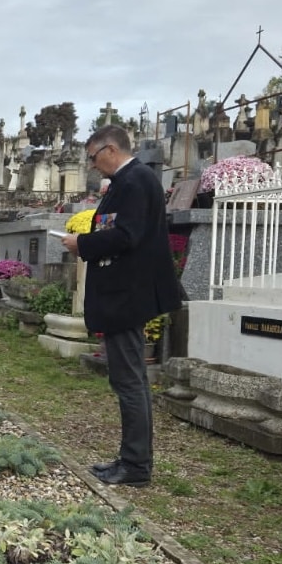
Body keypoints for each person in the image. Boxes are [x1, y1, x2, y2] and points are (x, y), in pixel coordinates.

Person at [61, 125, 183, 488]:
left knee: (129, 382)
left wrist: (82, 244)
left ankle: (136, 465)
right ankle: (131, 459)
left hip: (128, 296)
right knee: (130, 380)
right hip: (124, 294)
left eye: (93, 157)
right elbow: (116, 229)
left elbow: (126, 235)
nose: (92, 165)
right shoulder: (126, 182)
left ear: (110, 150)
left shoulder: (135, 181)